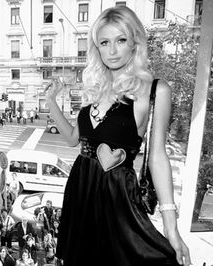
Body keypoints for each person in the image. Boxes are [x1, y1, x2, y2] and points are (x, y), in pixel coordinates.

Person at [45, 6, 190, 266]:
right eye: (104, 42)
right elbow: (72, 140)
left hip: (117, 195)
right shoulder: (93, 89)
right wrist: (50, 100)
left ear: (135, 43)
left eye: (120, 40)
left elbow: (157, 157)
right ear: (97, 48)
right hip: (81, 190)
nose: (112, 51)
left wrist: (172, 229)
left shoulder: (155, 90)